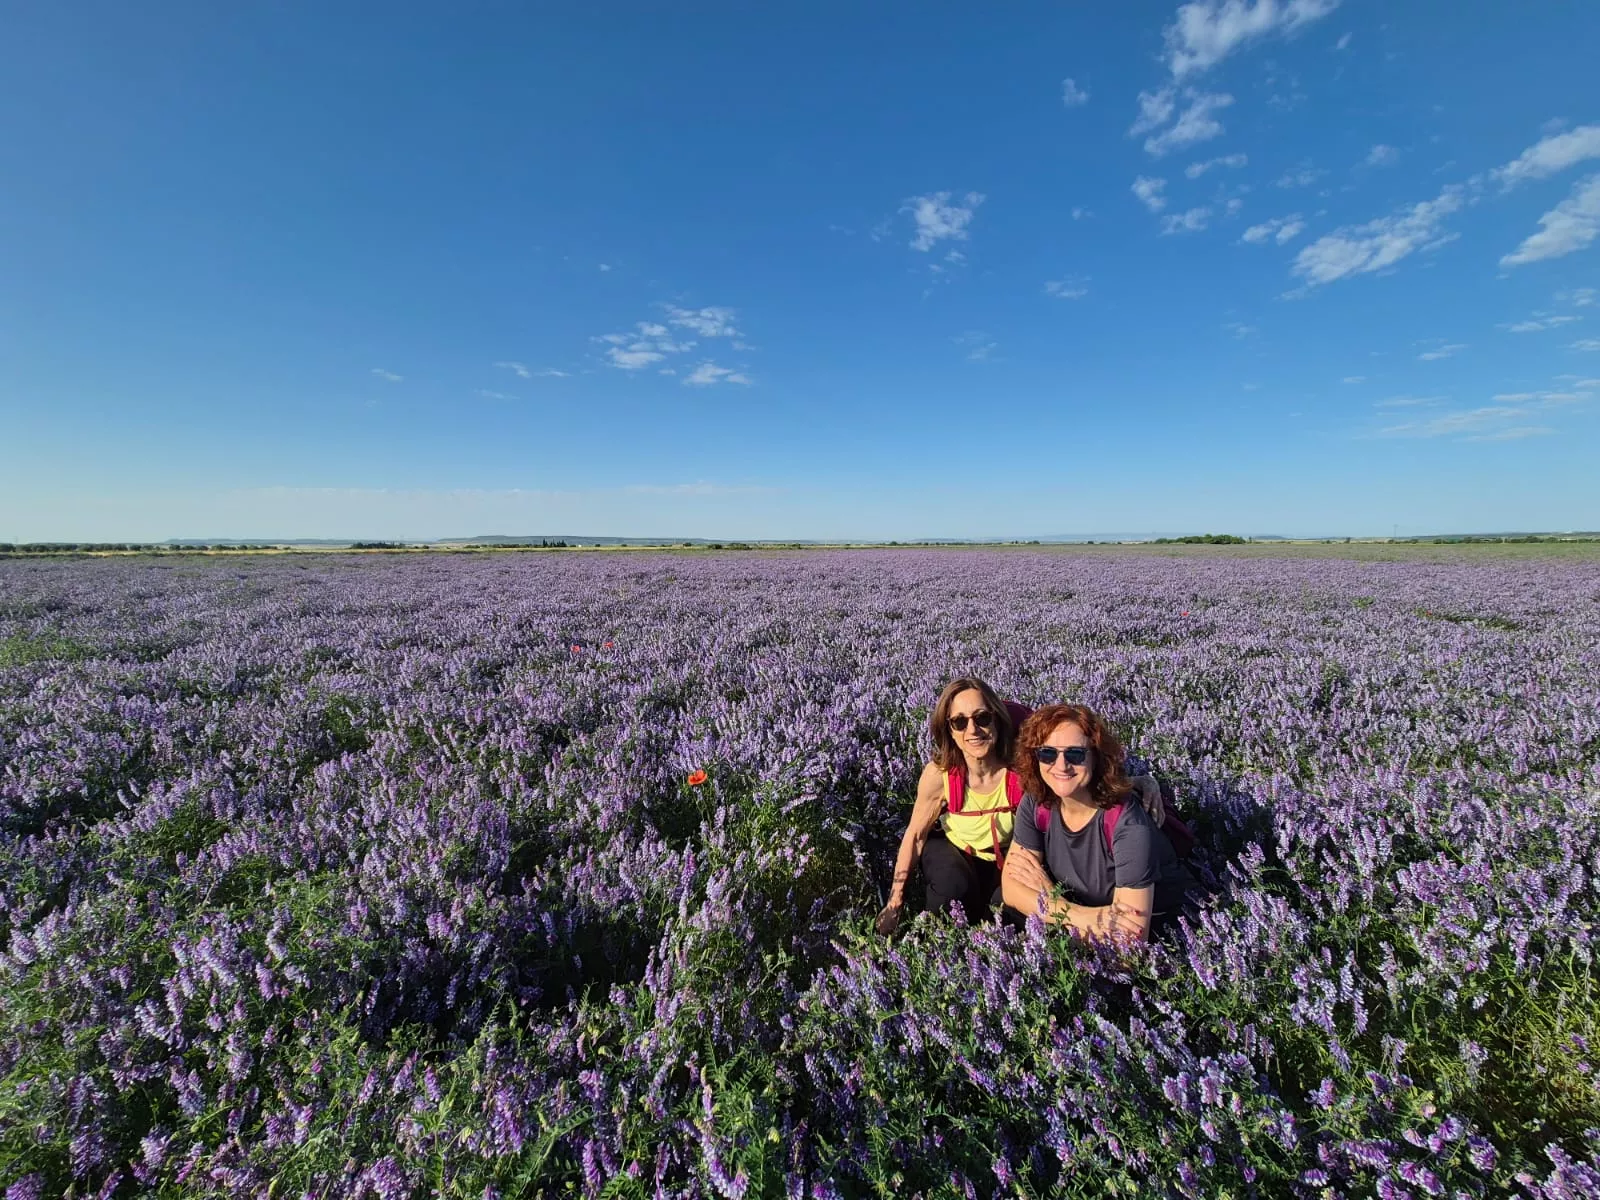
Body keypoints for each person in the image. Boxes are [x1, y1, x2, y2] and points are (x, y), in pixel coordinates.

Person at [875, 680, 1166, 936]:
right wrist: (895, 901)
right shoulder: (939, 775)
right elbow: (914, 836)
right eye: (959, 722)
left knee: (1007, 912)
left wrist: (1137, 781)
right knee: (950, 892)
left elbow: (1069, 772)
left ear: (997, 720)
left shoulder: (1021, 768)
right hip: (955, 848)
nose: (973, 729)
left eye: (982, 717)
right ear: (949, 730)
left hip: (1006, 852)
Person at [1001, 703, 1193, 942]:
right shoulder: (1037, 800)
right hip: (1088, 914)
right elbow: (1010, 888)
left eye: (1075, 754)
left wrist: (1052, 903)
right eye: (1048, 753)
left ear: (1096, 757)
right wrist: (1073, 913)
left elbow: (1129, 942)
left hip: (1160, 932)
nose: (1061, 765)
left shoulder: (1128, 823)